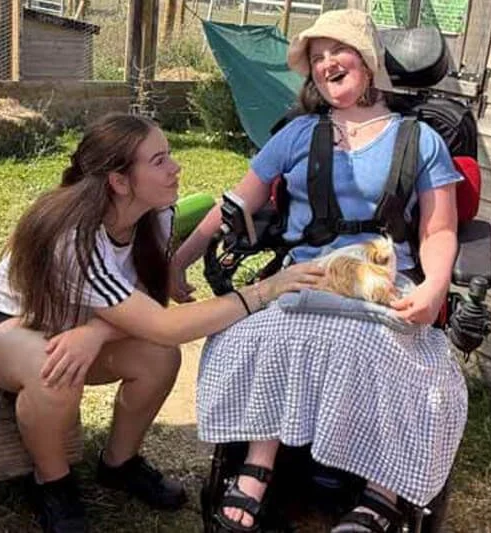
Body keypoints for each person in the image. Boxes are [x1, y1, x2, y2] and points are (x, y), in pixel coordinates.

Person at [170, 9, 468, 533]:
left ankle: (382, 491)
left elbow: (440, 230)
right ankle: (258, 464)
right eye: (316, 55)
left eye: (338, 49)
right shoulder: (298, 134)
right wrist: (179, 260)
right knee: (258, 336)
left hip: (382, 281)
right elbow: (234, 206)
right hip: (304, 278)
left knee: (408, 366)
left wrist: (434, 288)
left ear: (368, 60)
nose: (326, 62)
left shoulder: (421, 141)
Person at [0, 112, 323, 533]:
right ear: (118, 181)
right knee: (53, 370)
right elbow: (166, 323)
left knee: (159, 357)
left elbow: (149, 312)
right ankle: (52, 482)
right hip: (3, 327)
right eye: (159, 160)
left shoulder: (156, 215)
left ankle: (119, 462)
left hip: (77, 324)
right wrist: (265, 290)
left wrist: (95, 332)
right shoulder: (73, 239)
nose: (175, 167)